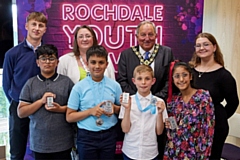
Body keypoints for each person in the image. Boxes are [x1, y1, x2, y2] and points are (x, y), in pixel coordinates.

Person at [117, 20, 174, 158]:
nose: (147, 38)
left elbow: (170, 80)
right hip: (134, 106)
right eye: (143, 35)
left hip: (157, 106)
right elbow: (122, 80)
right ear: (137, 36)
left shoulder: (166, 52)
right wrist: (139, 98)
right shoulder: (126, 54)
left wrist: (154, 99)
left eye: (150, 34)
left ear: (156, 35)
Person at [2, 11, 47, 160]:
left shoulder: (48, 54)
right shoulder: (12, 54)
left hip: (42, 106)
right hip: (19, 106)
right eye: (34, 24)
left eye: (41, 25)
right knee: (17, 150)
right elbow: (7, 83)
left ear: (45, 30)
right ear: (26, 26)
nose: (37, 28)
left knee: (43, 148)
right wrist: (17, 102)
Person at [17, 44, 74, 160]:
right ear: (38, 62)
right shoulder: (30, 83)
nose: (47, 62)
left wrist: (60, 109)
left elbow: (76, 109)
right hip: (39, 143)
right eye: (43, 58)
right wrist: (41, 101)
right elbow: (21, 112)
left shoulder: (66, 82)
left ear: (57, 62)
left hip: (63, 142)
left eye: (51, 58)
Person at [66, 45, 122, 160]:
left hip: (109, 135)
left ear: (106, 65)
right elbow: (69, 117)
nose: (97, 66)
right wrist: (90, 111)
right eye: (93, 62)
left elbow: (123, 111)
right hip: (86, 137)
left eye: (101, 62)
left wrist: (115, 109)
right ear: (87, 64)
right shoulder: (78, 87)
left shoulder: (115, 86)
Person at [189, 32, 239, 159]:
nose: (202, 48)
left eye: (206, 44)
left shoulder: (224, 75)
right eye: (198, 45)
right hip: (192, 125)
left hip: (215, 127)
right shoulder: (190, 71)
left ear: (214, 47)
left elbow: (233, 103)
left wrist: (217, 117)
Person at [163, 61, 215, 159]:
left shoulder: (203, 97)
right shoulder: (173, 100)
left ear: (190, 77)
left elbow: (209, 129)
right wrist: (168, 124)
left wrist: (203, 155)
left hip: (195, 151)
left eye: (184, 75)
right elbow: (173, 127)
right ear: (173, 79)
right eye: (177, 76)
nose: (181, 79)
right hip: (175, 151)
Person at [119, 64, 168, 160]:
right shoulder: (128, 101)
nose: (143, 82)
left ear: (153, 81)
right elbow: (125, 129)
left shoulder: (159, 102)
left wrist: (159, 113)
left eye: (147, 79)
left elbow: (159, 132)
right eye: (140, 79)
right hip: (130, 151)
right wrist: (127, 109)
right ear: (134, 81)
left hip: (150, 153)